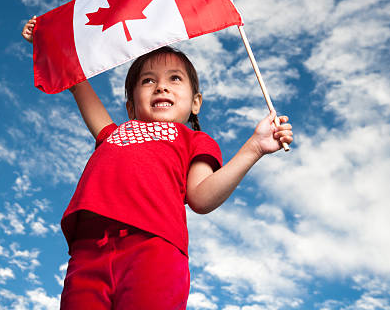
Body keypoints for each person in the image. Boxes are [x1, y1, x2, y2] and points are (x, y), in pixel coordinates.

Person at [22, 16, 293, 310]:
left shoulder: (194, 140)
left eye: (174, 78)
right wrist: (45, 42)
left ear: (195, 102)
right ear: (130, 106)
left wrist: (254, 147)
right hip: (88, 251)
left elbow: (200, 197)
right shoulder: (113, 133)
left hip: (154, 249)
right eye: (148, 80)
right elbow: (76, 82)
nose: (161, 87)